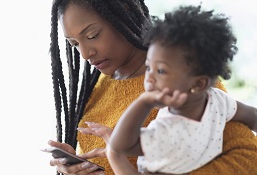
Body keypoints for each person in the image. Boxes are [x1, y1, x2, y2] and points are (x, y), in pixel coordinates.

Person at [47, 0, 257, 175]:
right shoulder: (97, 85)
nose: (84, 54)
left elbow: (249, 159)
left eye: (92, 35)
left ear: (122, 17)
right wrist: (78, 165)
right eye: (74, 44)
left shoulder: (182, 82)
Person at [107, 5, 257, 175]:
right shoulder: (218, 101)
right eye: (149, 67)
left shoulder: (167, 131)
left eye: (161, 70)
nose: (148, 77)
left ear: (199, 84)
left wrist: (143, 102)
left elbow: (118, 147)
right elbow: (252, 117)